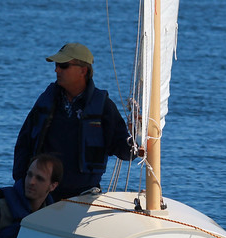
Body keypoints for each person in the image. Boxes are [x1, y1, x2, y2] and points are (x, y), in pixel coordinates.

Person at [13, 43, 136, 201]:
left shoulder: (103, 106)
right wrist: (21, 182)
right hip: (44, 196)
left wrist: (136, 139)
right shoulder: (46, 100)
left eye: (63, 66)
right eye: (57, 65)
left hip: (84, 196)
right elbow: (24, 142)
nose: (56, 70)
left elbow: (124, 150)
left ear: (83, 71)